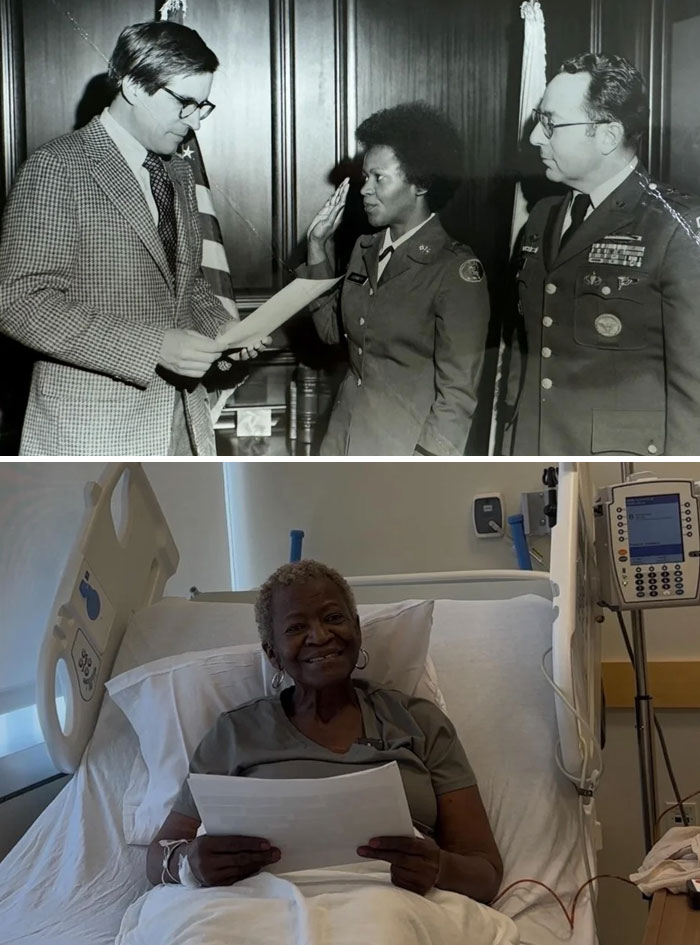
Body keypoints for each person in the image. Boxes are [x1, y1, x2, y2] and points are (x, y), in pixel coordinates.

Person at [147, 559, 503, 903]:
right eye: (296, 628)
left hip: (388, 903)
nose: (320, 636)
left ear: (357, 630)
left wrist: (437, 866)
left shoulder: (418, 723)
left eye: (333, 618)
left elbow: (484, 873)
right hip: (257, 904)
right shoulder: (235, 733)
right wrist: (188, 864)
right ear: (273, 654)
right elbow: (158, 858)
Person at [0, 21, 266, 456]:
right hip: (92, 436)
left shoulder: (177, 171)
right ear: (134, 87)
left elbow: (185, 283)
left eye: (203, 105)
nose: (196, 119)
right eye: (186, 103)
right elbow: (17, 300)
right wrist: (154, 347)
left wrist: (226, 330)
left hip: (182, 425)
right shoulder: (57, 167)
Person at [501, 52, 700, 456]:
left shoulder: (674, 228)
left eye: (550, 124)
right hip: (534, 447)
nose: (535, 137)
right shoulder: (542, 217)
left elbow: (693, 391)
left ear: (608, 135)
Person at [302, 103, 490, 456]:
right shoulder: (365, 247)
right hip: (341, 440)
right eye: (364, 178)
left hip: (403, 450)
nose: (364, 190)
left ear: (419, 183)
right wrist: (316, 246)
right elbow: (330, 332)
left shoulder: (455, 269)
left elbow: (458, 393)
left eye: (379, 178)